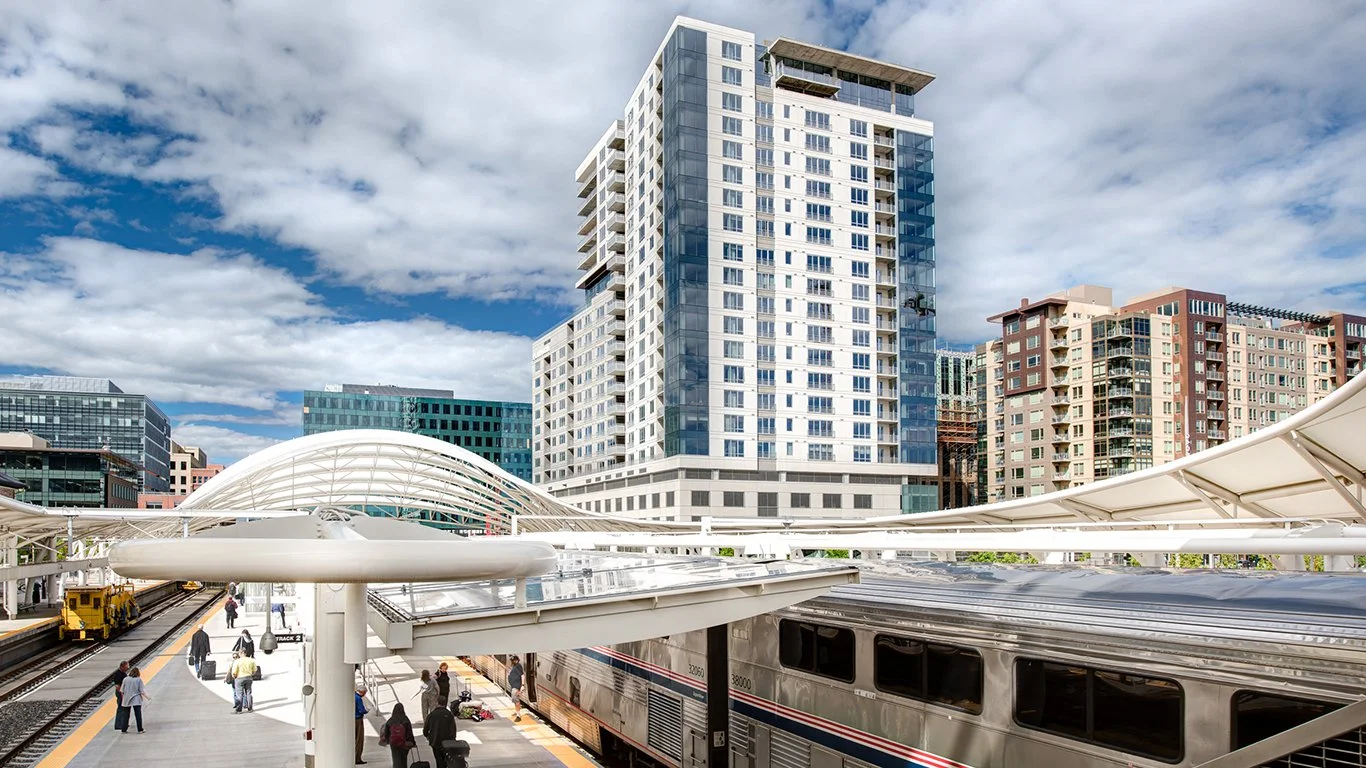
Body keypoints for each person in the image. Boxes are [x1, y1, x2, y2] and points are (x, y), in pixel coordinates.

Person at [422, 696, 458, 768]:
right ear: (445, 703)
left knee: (438, 760)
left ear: (437, 702)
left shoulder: (432, 715)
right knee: (446, 760)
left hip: (435, 742)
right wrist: (452, 740)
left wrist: (429, 737)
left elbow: (425, 730)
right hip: (447, 742)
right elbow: (453, 729)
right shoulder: (449, 714)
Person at [380, 702, 416, 768]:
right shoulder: (406, 719)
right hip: (404, 743)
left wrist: (388, 740)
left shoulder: (390, 720)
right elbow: (410, 733)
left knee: (396, 759)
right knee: (403, 760)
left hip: (394, 743)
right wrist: (413, 742)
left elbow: (386, 732)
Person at [118, 666, 150, 733]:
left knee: (126, 715)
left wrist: (123, 698)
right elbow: (141, 690)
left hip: (126, 699)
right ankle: (140, 729)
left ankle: (123, 729)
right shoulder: (138, 680)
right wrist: (147, 697)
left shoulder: (125, 679)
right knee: (138, 715)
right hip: (136, 699)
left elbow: (121, 690)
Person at [112, 661, 130, 731]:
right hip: (120, 693)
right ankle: (118, 724)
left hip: (123, 692)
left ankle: (123, 723)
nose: (127, 668)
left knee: (123, 708)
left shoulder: (123, 673)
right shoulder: (118, 674)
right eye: (126, 667)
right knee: (121, 708)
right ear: (122, 666)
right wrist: (122, 694)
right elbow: (117, 686)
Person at [507, 656, 525, 722]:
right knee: (515, 700)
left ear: (517, 660)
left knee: (515, 699)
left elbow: (522, 675)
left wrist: (522, 685)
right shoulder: (514, 666)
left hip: (516, 686)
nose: (512, 661)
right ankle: (517, 711)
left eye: (513, 660)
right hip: (513, 685)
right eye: (511, 660)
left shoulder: (518, 666)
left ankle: (518, 716)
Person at [355, 684, 369, 765]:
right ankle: (357, 758)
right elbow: (361, 710)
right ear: (362, 692)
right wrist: (366, 711)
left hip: (352, 719)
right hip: (358, 720)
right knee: (359, 739)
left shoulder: (353, 696)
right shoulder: (358, 699)